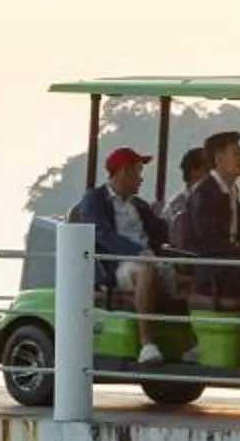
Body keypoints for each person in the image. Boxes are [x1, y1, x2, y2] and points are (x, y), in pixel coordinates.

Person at [67, 147, 172, 345]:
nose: (141, 179)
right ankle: (147, 342)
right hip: (119, 263)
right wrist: (137, 252)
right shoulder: (95, 200)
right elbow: (102, 234)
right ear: (124, 172)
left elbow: (161, 233)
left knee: (196, 278)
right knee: (146, 270)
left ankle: (188, 341)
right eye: (138, 172)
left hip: (150, 258)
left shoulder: (139, 205)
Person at [180, 131, 240, 334]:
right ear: (219, 158)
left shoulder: (231, 191)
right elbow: (212, 244)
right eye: (237, 153)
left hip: (234, 265)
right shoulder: (204, 194)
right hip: (215, 271)